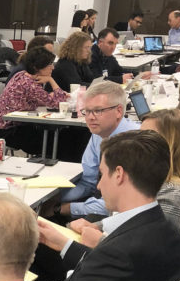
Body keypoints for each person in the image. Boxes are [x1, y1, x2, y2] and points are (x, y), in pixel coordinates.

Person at [40, 130, 180, 281]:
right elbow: (110, 274)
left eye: (102, 175)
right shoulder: (169, 232)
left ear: (119, 175)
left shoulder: (121, 253)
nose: (98, 186)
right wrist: (63, 244)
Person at [71, 109, 180, 240]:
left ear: (169, 145)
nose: (136, 141)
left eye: (146, 136)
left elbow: (146, 248)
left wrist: (99, 241)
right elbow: (130, 219)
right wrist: (97, 226)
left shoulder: (174, 194)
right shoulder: (160, 180)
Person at [55, 81, 139, 218]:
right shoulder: (99, 134)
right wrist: (54, 198)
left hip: (121, 216)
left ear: (118, 111)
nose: (90, 117)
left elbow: (122, 204)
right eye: (87, 111)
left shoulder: (136, 142)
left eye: (98, 111)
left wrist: (66, 208)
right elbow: (89, 181)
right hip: (99, 202)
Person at [0, 47, 67, 156]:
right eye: (49, 64)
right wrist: (51, 80)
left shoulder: (22, 74)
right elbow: (58, 104)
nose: (53, 68)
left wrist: (47, 97)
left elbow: (33, 99)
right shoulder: (29, 84)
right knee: (54, 139)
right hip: (8, 132)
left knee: (53, 134)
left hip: (7, 126)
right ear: (37, 67)